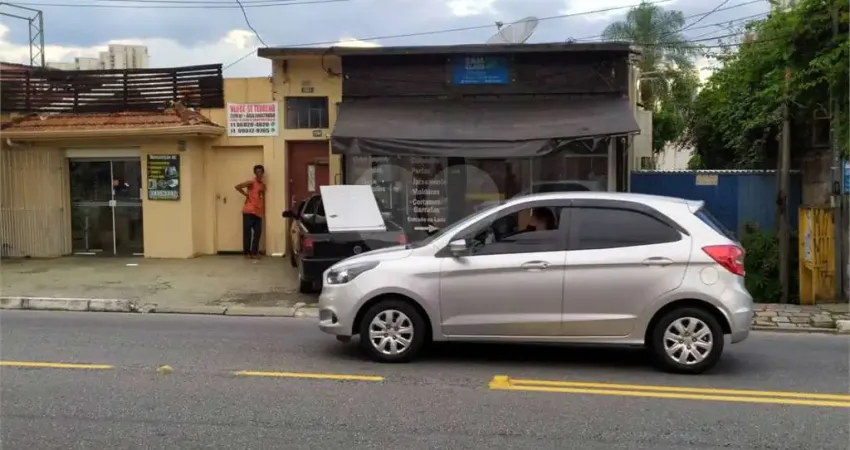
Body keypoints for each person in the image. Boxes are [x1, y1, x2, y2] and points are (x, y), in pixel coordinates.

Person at [235, 165, 266, 259]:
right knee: (247, 233)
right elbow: (238, 186)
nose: (259, 173)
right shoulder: (251, 182)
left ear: (263, 173)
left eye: (261, 172)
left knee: (257, 233)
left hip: (258, 212)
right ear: (255, 173)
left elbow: (261, 197)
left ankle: (254, 252)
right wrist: (246, 195)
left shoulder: (263, 185)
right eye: (258, 172)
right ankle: (247, 253)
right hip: (248, 211)